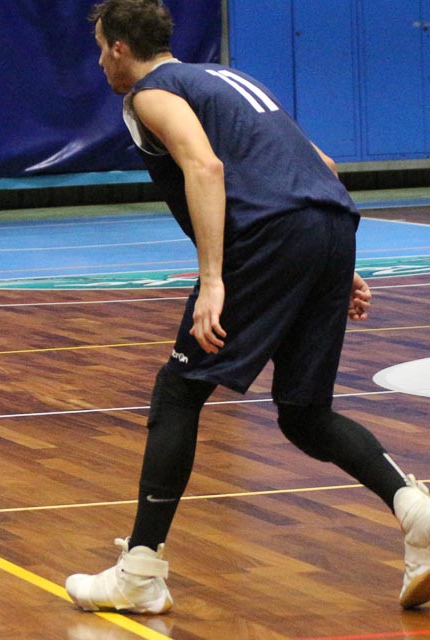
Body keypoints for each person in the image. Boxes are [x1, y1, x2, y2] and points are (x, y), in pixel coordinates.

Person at [66, 0, 430, 614]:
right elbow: (320, 165)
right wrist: (329, 261)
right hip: (326, 224)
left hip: (265, 236)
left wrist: (212, 279)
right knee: (304, 413)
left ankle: (140, 571)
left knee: (179, 392)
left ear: (120, 48)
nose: (101, 61)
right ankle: (417, 513)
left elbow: (204, 166)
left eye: (101, 48)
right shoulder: (224, 77)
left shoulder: (151, 94)